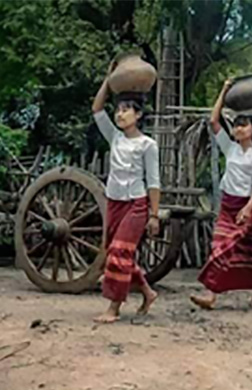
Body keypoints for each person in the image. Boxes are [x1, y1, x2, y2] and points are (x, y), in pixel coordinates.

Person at [91, 62, 161, 323]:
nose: (120, 115)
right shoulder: (115, 138)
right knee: (116, 251)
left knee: (120, 252)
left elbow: (154, 181)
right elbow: (97, 109)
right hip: (115, 201)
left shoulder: (148, 145)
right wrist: (108, 80)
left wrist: (154, 216)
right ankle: (147, 291)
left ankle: (114, 308)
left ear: (139, 115)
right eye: (118, 110)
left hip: (136, 204)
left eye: (126, 110)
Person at [191, 79, 252, 310]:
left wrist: (248, 208)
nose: (238, 129)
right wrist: (224, 90)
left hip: (249, 206)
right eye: (236, 125)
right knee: (219, 246)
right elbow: (214, 121)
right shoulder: (230, 148)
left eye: (243, 125)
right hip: (228, 204)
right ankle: (211, 295)